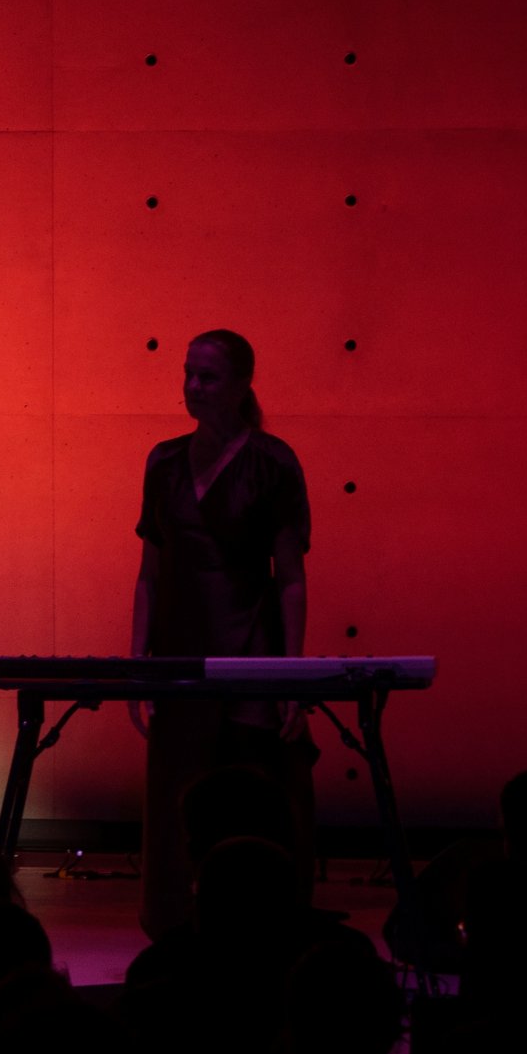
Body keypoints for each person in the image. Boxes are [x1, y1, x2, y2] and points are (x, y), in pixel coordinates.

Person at [128, 329, 314, 939]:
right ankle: (176, 932)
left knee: (249, 800)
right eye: (188, 374)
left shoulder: (273, 462)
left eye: (207, 376)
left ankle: (259, 932)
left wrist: (291, 677)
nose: (193, 387)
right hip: (178, 657)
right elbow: (150, 574)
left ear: (241, 385)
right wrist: (138, 667)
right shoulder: (164, 462)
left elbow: (290, 578)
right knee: (178, 800)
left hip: (251, 654)